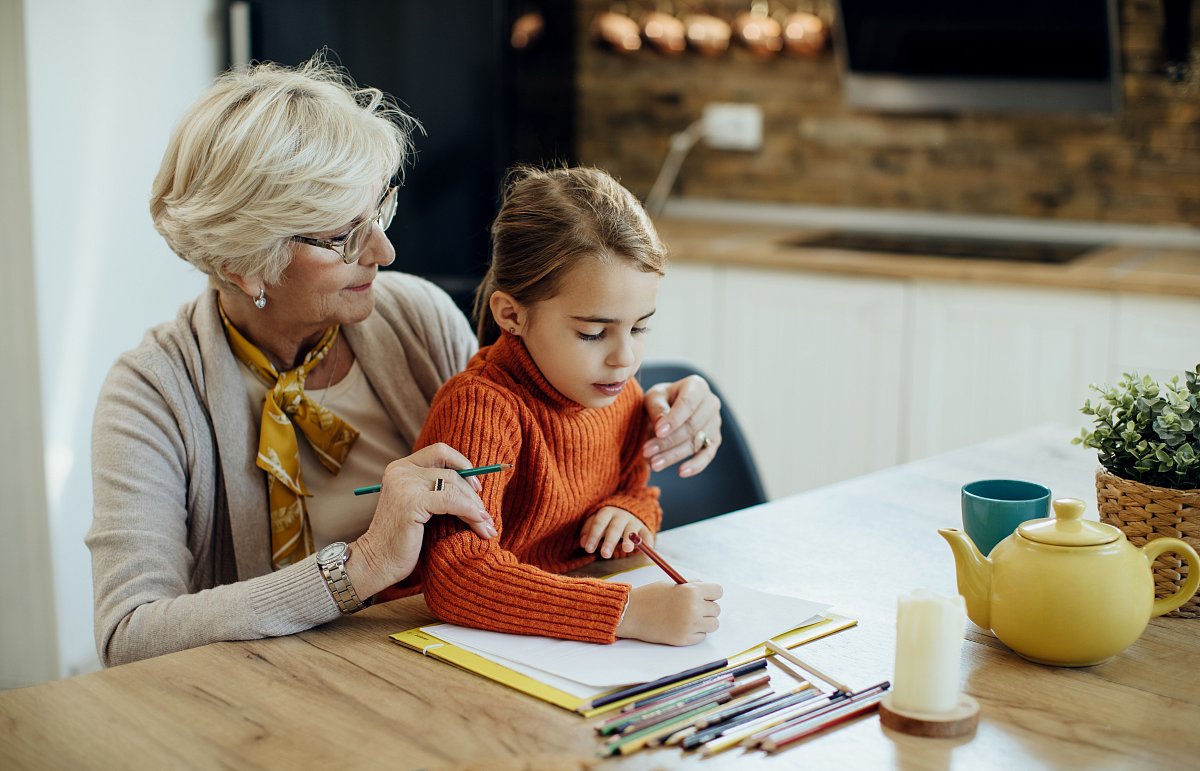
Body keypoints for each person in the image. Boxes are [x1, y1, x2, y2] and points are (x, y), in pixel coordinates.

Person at [86, 56, 723, 667]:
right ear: (241, 260)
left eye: (380, 211)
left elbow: (531, 462)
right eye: (342, 235)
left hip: (419, 663)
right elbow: (129, 634)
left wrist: (652, 418)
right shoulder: (151, 395)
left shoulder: (414, 317)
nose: (385, 251)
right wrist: (358, 568)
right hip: (258, 691)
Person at [416, 166, 723, 647]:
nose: (625, 358)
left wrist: (630, 513)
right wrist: (626, 612)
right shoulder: (480, 406)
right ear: (512, 315)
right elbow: (457, 575)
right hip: (452, 645)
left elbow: (636, 490)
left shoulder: (615, 390)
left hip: (558, 632)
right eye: (593, 333)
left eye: (639, 328)